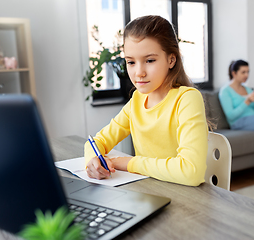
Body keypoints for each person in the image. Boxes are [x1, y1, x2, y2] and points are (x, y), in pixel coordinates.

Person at [84, 15, 208, 186]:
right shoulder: (137, 100)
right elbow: (97, 141)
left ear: (171, 59)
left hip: (185, 198)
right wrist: (92, 160)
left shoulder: (186, 99)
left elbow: (190, 172)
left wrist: (128, 163)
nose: (139, 72)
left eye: (149, 60)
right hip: (149, 192)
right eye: (131, 62)